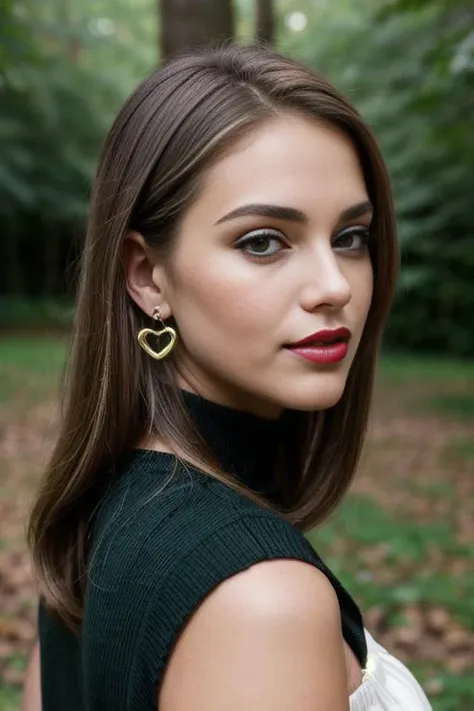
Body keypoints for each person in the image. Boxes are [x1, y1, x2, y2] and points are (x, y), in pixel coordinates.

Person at [23, 44, 433, 711]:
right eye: (263, 241)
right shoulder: (261, 598)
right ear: (148, 277)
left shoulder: (88, 527)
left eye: (351, 237)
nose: (334, 286)